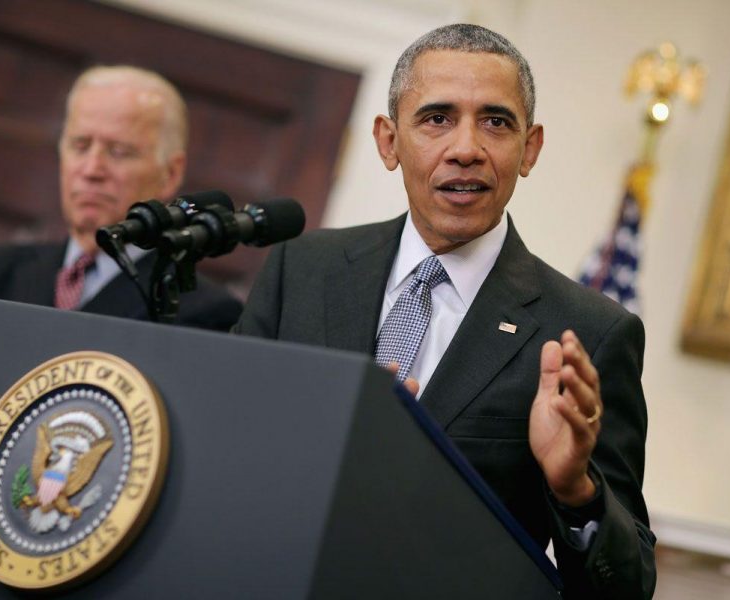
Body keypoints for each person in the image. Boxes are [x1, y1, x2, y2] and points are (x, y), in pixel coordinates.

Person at [233, 24, 655, 598]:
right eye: (437, 118)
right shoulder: (302, 270)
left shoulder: (592, 333)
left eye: (496, 122)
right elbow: (229, 443)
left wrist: (575, 489)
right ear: (389, 142)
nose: (466, 148)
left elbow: (626, 588)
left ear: (529, 149)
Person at [0, 65, 241, 331]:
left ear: (170, 174)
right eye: (80, 145)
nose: (91, 169)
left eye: (119, 151)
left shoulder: (201, 311)